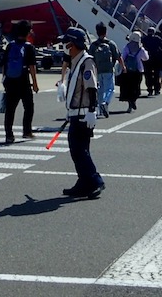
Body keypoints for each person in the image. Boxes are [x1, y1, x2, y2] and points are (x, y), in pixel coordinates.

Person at [59, 27, 105, 199]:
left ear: (73, 45)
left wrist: (92, 111)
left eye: (66, 43)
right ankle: (84, 181)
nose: (64, 47)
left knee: (79, 150)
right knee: (78, 149)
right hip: (76, 113)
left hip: (84, 114)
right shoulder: (76, 61)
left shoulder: (86, 62)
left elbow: (91, 88)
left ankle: (95, 180)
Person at [2, 20, 39, 143]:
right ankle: (27, 131)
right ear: (28, 32)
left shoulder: (10, 46)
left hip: (10, 80)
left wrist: (4, 79)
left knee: (10, 109)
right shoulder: (29, 47)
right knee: (29, 107)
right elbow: (32, 67)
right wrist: (35, 83)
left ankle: (9, 135)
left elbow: (5, 64)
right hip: (23, 81)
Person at [88, 22, 123, 118]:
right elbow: (118, 56)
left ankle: (100, 109)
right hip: (108, 69)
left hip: (98, 70)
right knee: (110, 89)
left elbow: (90, 58)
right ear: (106, 32)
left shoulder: (94, 45)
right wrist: (123, 67)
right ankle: (105, 102)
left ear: (97, 32)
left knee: (100, 90)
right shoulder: (111, 43)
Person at [119, 31, 149, 112]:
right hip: (138, 70)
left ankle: (130, 103)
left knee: (128, 87)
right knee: (136, 87)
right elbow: (146, 58)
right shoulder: (140, 48)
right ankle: (134, 100)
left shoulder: (127, 47)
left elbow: (123, 57)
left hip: (128, 70)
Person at [142, 27, 162, 96]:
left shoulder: (144, 39)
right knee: (156, 75)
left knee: (148, 75)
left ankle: (150, 89)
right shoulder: (157, 38)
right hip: (156, 59)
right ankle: (156, 89)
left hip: (147, 59)